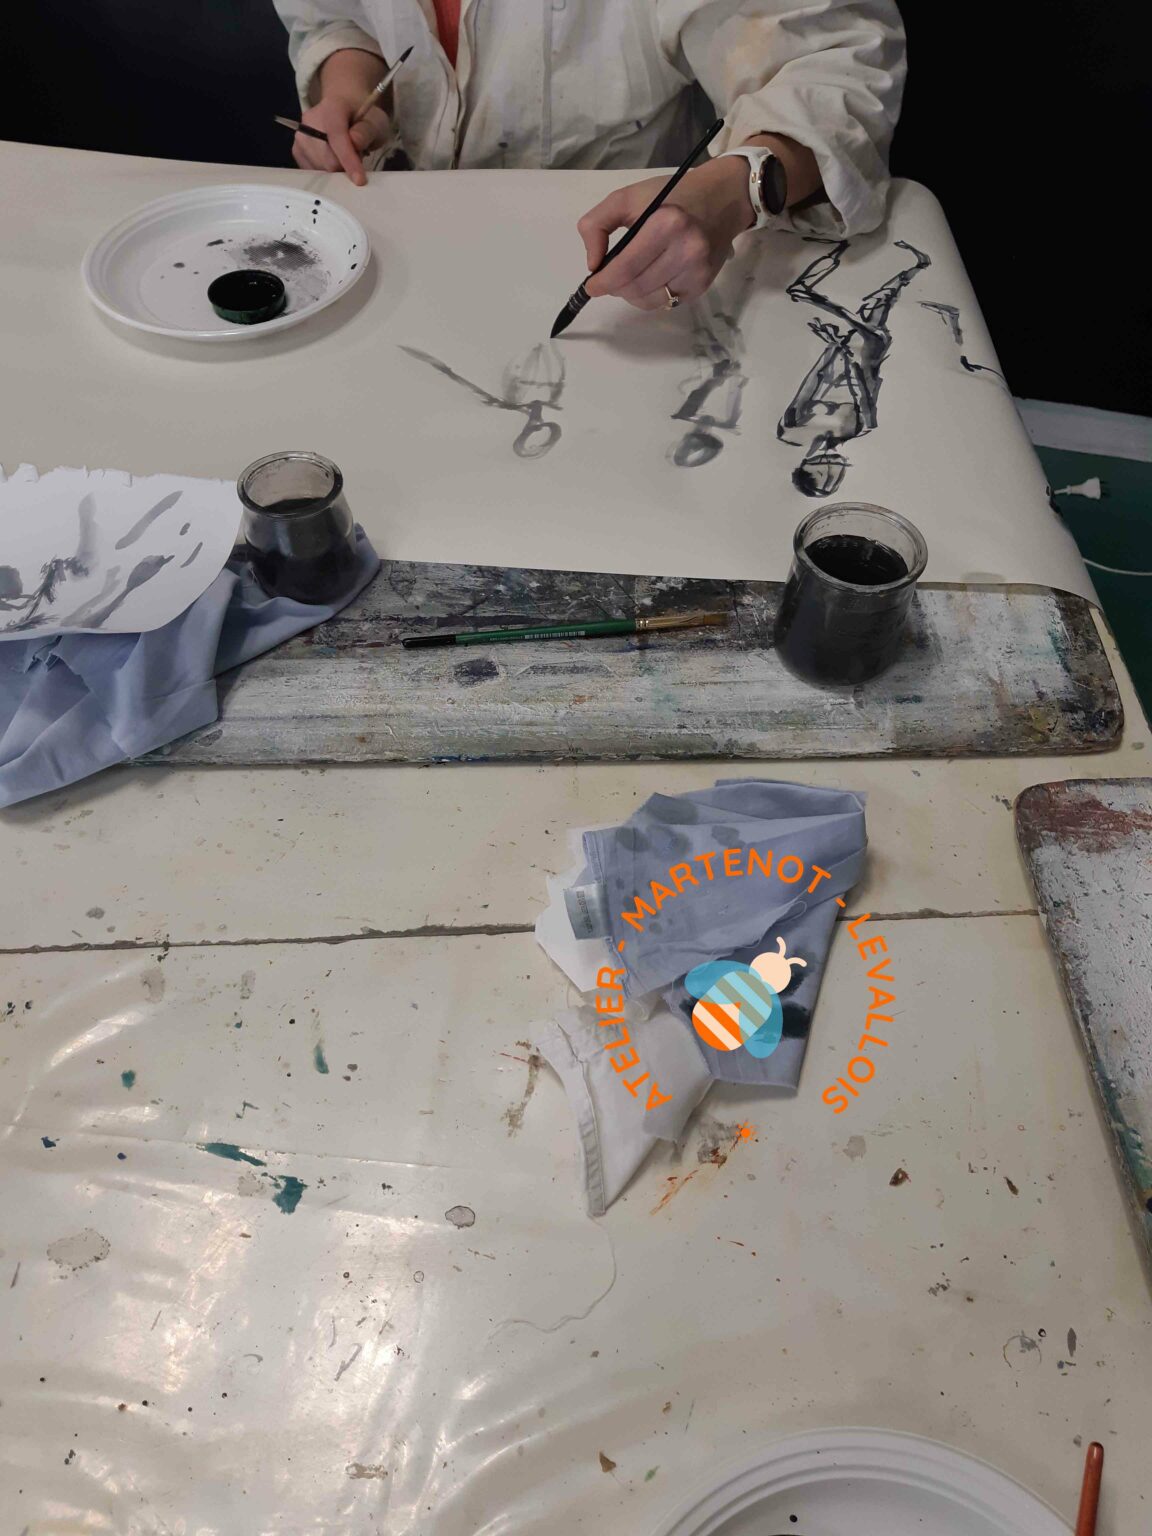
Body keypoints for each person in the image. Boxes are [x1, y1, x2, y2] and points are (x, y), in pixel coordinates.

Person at [273, 0, 905, 312]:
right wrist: (353, 88)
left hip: (635, 271)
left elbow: (837, 66)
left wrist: (734, 190)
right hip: (413, 259)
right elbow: (339, 17)